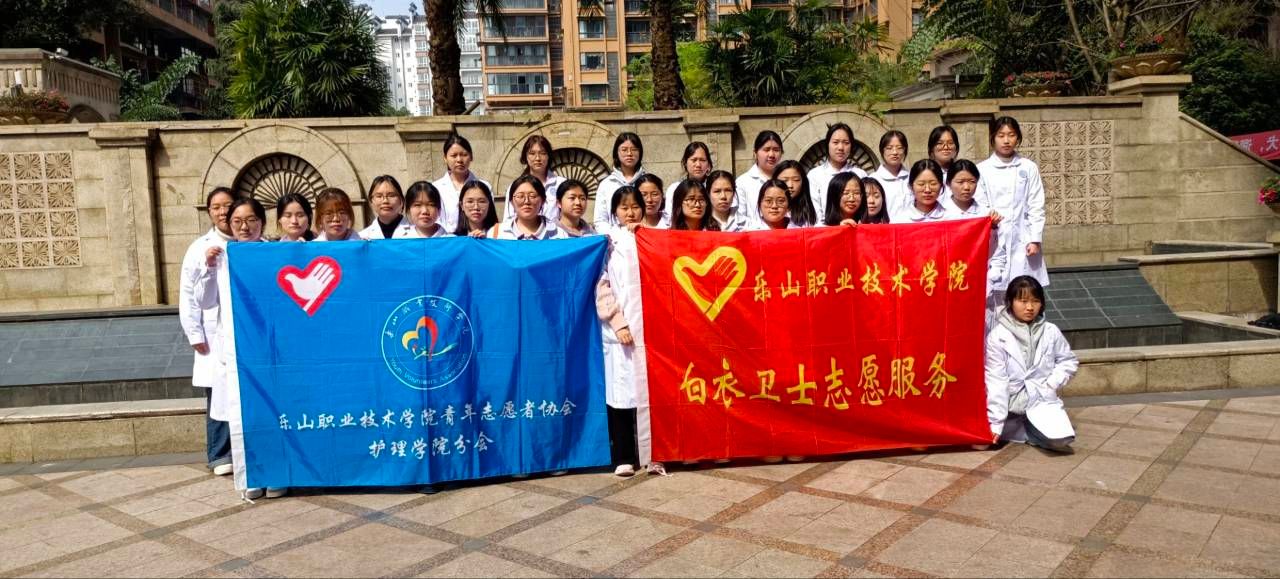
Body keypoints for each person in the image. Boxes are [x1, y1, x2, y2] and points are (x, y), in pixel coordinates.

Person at [192, 197, 287, 500]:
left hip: (270, 348)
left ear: (262, 222)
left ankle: (276, 472)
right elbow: (205, 301)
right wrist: (209, 269)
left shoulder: (274, 254)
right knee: (244, 415)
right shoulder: (222, 256)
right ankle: (253, 474)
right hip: (237, 350)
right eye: (237, 221)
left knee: (273, 412)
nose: (244, 227)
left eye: (251, 220)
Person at [596, 185, 659, 477]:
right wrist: (618, 322)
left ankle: (653, 453)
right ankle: (624, 455)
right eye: (624, 207)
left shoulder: (655, 239)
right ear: (614, 212)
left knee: (652, 393)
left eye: (635, 206)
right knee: (621, 393)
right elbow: (602, 286)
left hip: (652, 328)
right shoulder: (609, 243)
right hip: (620, 332)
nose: (630, 212)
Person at [179, 187, 237, 477]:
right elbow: (188, 293)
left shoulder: (254, 242)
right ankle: (219, 453)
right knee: (217, 392)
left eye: (228, 205)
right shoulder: (199, 247)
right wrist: (195, 333)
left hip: (245, 333)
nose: (223, 212)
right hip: (214, 333)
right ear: (210, 212)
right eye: (216, 207)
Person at [985, 275, 1078, 453]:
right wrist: (995, 422)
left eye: (1035, 301)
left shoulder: (1050, 331)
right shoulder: (998, 336)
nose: (1029, 307)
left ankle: (1024, 430)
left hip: (1039, 398)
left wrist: (1051, 383)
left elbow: (1068, 361)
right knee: (982, 442)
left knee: (1060, 441)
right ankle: (1013, 428)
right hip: (1008, 402)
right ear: (1010, 302)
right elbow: (996, 379)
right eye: (1023, 301)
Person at [977, 116, 1049, 292]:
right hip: (995, 234)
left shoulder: (1028, 167)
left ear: (1018, 138)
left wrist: (1035, 239)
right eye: (1001, 135)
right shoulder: (982, 169)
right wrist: (990, 218)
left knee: (1024, 289)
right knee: (994, 289)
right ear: (993, 138)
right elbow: (980, 202)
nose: (1006, 140)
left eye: (1011, 135)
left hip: (1022, 237)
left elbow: (1036, 203)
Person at [942, 160, 1008, 331]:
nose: (966, 187)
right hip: (948, 286)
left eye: (971, 182)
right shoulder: (940, 214)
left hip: (980, 285)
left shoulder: (986, 214)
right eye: (960, 182)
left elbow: (998, 254)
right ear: (948, 183)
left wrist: (991, 278)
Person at [807, 123, 868, 222]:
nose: (840, 147)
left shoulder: (860, 174)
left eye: (846, 143)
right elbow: (815, 214)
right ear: (827, 144)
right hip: (825, 229)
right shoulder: (814, 175)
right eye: (835, 142)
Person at [433, 132, 491, 232]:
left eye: (464, 155)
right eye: (454, 155)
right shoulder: (436, 187)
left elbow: (489, 217)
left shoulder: (485, 186)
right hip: (446, 239)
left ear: (471, 156)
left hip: (477, 237)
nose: (459, 160)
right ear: (445, 158)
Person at [503, 135, 564, 223]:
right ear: (525, 156)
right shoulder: (516, 186)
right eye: (532, 153)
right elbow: (508, 219)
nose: (537, 158)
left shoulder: (561, 183)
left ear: (548, 156)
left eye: (543, 153)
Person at [593, 132, 646, 233]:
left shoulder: (647, 182)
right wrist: (618, 235)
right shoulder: (606, 184)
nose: (629, 154)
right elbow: (600, 220)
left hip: (643, 236)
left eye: (634, 149)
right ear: (616, 153)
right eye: (624, 150)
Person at [736, 131, 784, 225]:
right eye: (766, 150)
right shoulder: (742, 182)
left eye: (776, 150)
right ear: (755, 153)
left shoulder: (786, 179)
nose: (771, 155)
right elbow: (740, 218)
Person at [497, 175, 564, 239]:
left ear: (543, 200)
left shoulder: (559, 235)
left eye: (532, 196)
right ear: (511, 201)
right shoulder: (498, 234)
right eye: (520, 196)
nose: (526, 201)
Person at [891, 159, 949, 224]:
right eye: (921, 184)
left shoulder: (952, 218)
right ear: (911, 186)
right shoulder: (899, 222)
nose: (927, 190)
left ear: (941, 185)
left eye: (933, 184)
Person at [871, 130, 911, 215]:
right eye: (889, 148)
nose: (895, 152)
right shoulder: (873, 179)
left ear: (905, 150)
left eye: (899, 148)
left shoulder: (912, 178)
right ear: (882, 151)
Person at [359, 175, 412, 239]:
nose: (385, 201)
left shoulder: (416, 233)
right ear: (371, 201)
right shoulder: (362, 237)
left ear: (401, 200)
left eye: (391, 195)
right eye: (379, 196)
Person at [665, 142, 713, 210]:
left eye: (702, 160)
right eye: (694, 160)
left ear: (708, 164)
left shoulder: (714, 188)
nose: (698, 165)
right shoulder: (675, 189)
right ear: (685, 163)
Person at [771, 160, 818, 227]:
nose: (790, 185)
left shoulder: (811, 211)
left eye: (796, 180)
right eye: (784, 180)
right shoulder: (766, 210)